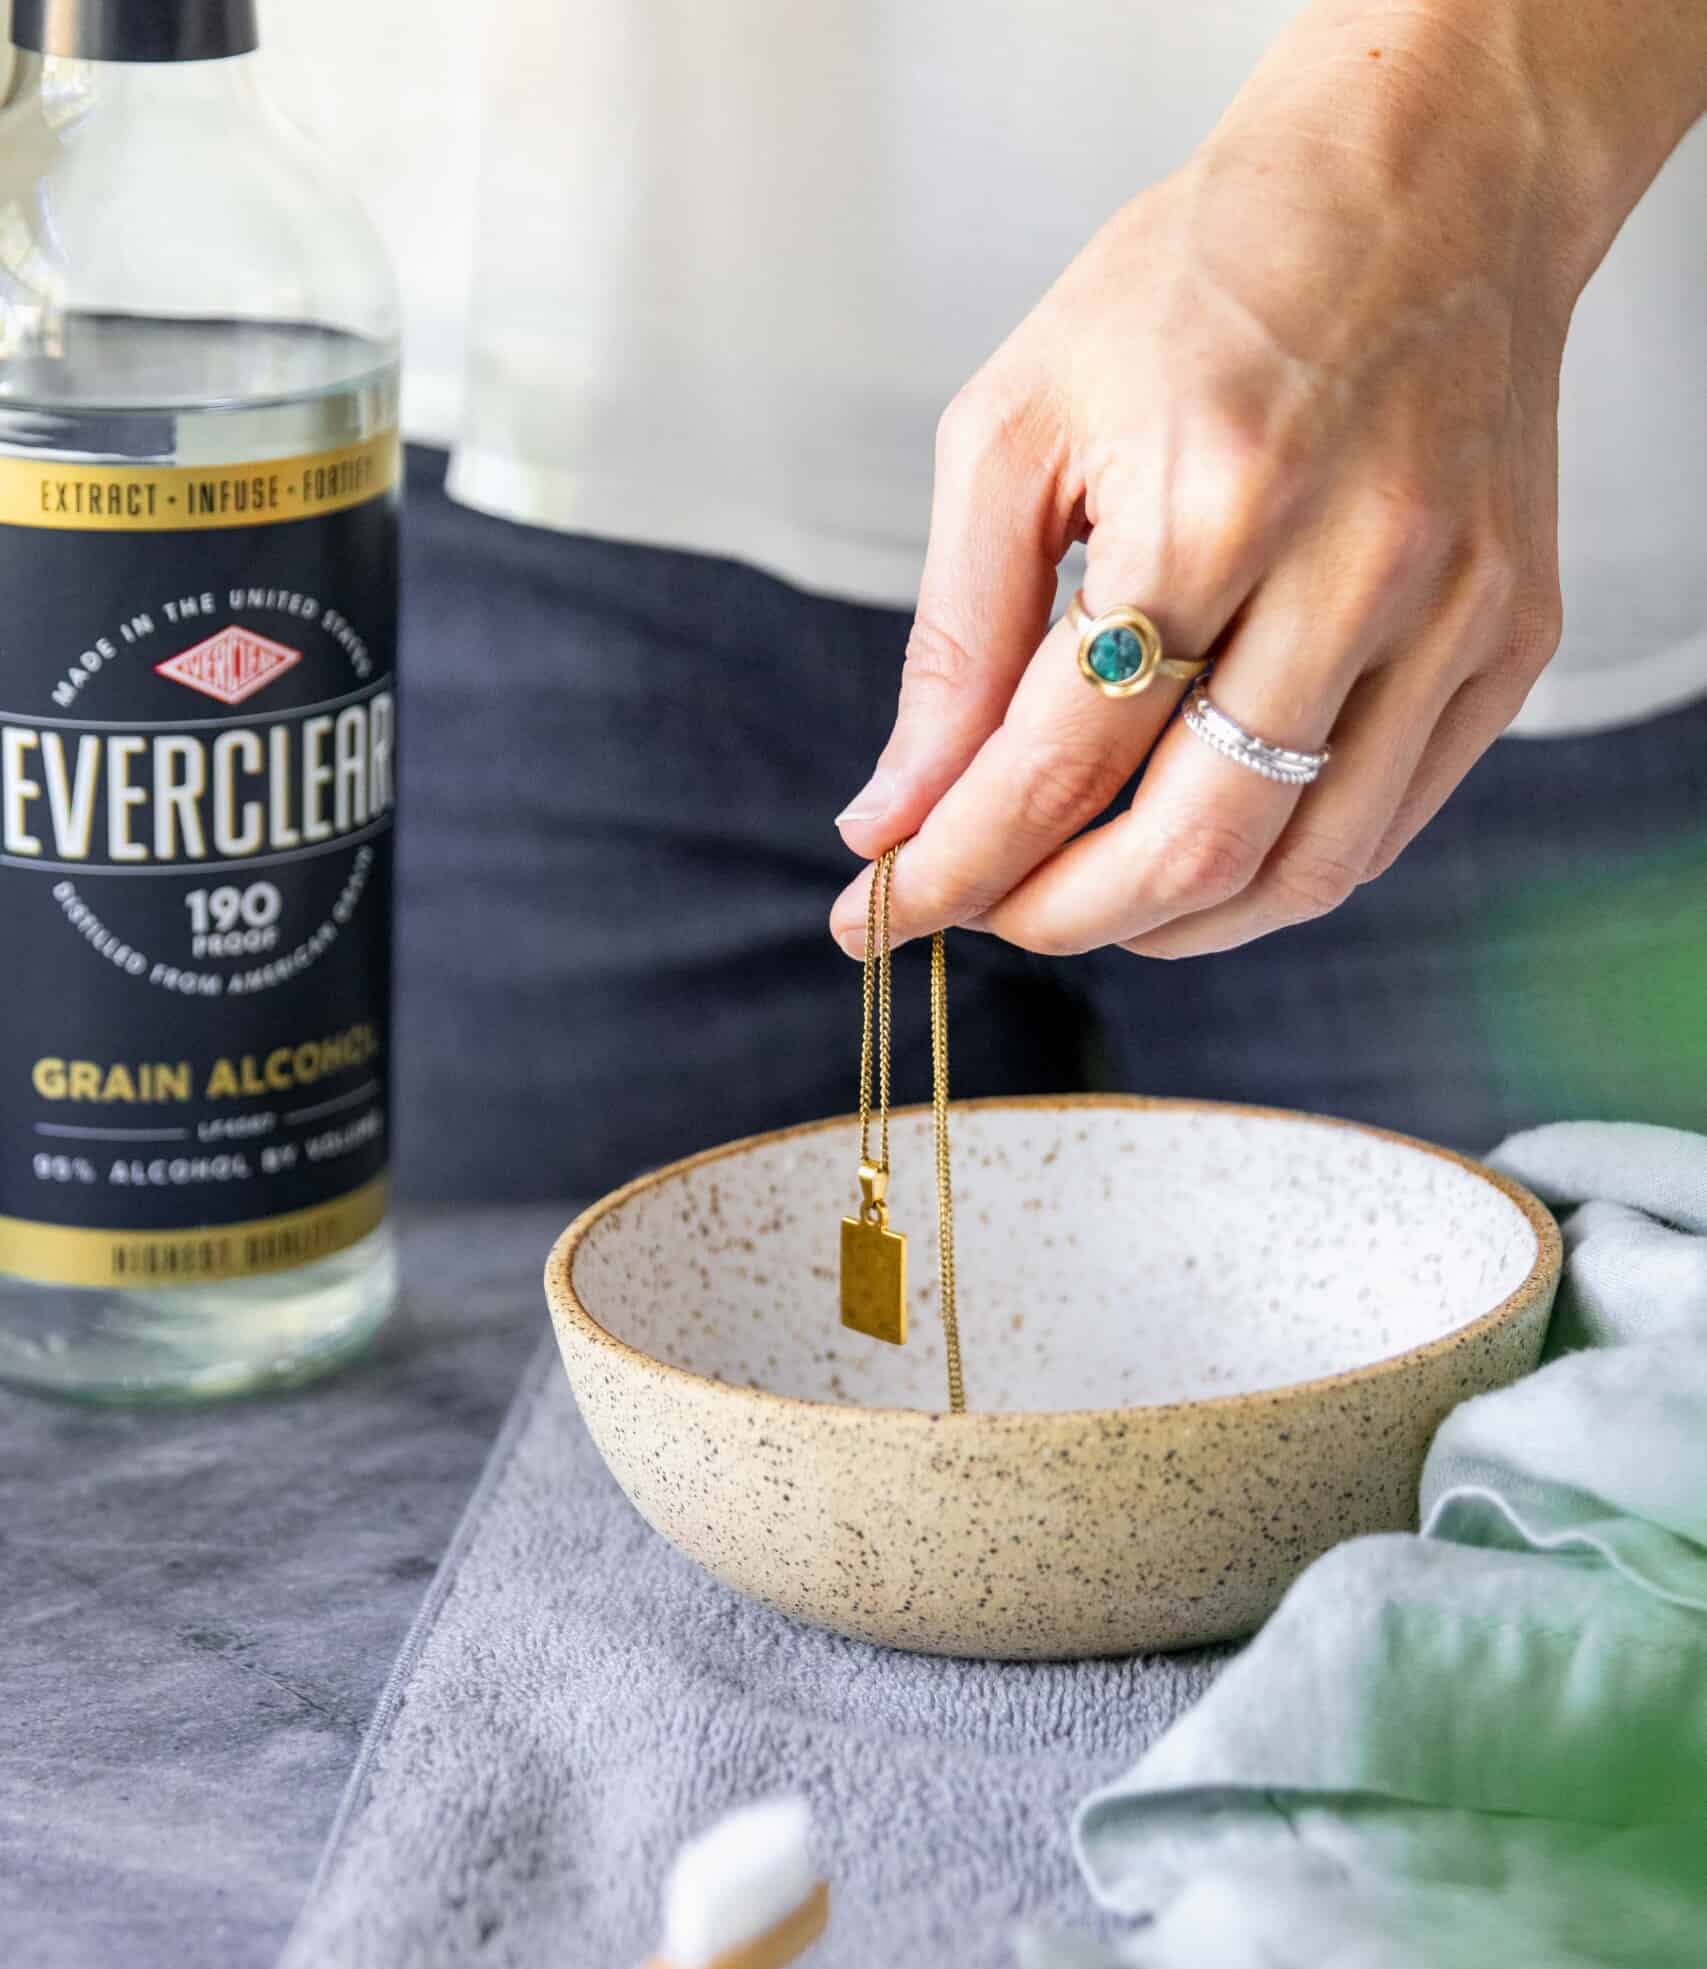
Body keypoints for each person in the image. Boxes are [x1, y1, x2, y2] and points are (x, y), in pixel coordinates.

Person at [262, 0, 1707, 1201]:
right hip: (524, 415)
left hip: (1453, 517)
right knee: (533, 1487)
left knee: (1564, 1487)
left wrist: (1444, 148)